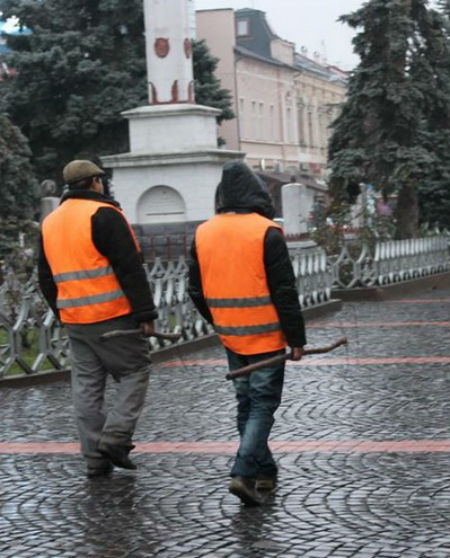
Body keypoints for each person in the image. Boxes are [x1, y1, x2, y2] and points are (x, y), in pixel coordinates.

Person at [188, 161, 306, 506]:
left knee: (246, 404)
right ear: (256, 192)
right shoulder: (266, 231)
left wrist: (219, 320)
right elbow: (284, 291)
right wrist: (296, 339)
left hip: (231, 334)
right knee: (262, 406)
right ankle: (242, 472)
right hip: (266, 336)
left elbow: (195, 289)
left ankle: (264, 471)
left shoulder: (203, 232)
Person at [38, 160, 158, 478]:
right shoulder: (104, 214)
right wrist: (146, 315)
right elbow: (129, 267)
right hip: (113, 316)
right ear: (94, 183)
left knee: (87, 387)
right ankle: (116, 437)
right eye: (100, 180)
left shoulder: (50, 222)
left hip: (75, 319)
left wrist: (62, 311)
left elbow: (45, 278)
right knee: (135, 371)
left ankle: (94, 458)